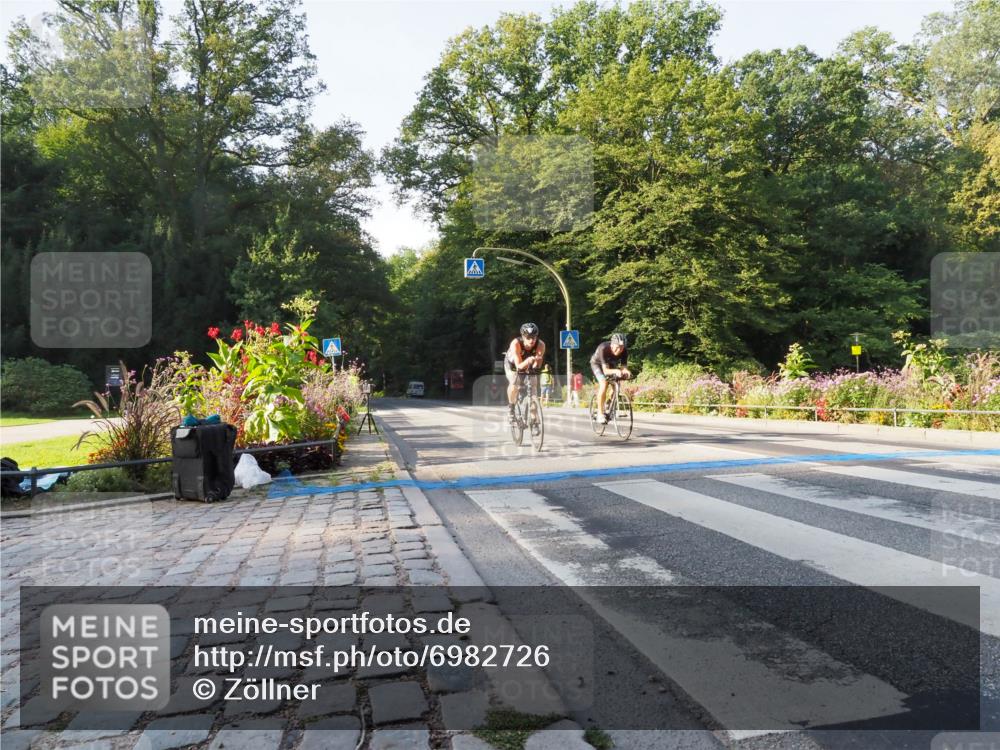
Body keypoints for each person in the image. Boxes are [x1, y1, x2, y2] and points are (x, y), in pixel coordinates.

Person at [505, 322, 546, 423]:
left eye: (534, 337)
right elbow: (519, 366)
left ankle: (534, 420)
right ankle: (511, 408)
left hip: (529, 363)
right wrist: (528, 361)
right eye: (528, 338)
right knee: (514, 384)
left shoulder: (540, 344)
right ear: (523, 337)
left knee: (533, 391)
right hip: (513, 365)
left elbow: (538, 365)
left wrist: (534, 366)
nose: (531, 340)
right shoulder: (515, 344)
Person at [590, 333, 630, 424]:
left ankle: (609, 404)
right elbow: (605, 371)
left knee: (616, 385)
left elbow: (624, 367)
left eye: (622, 347)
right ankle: (600, 414)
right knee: (604, 383)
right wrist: (616, 371)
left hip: (610, 365)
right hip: (597, 364)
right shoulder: (603, 348)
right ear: (612, 344)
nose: (619, 349)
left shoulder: (624, 351)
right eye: (617, 347)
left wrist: (626, 371)